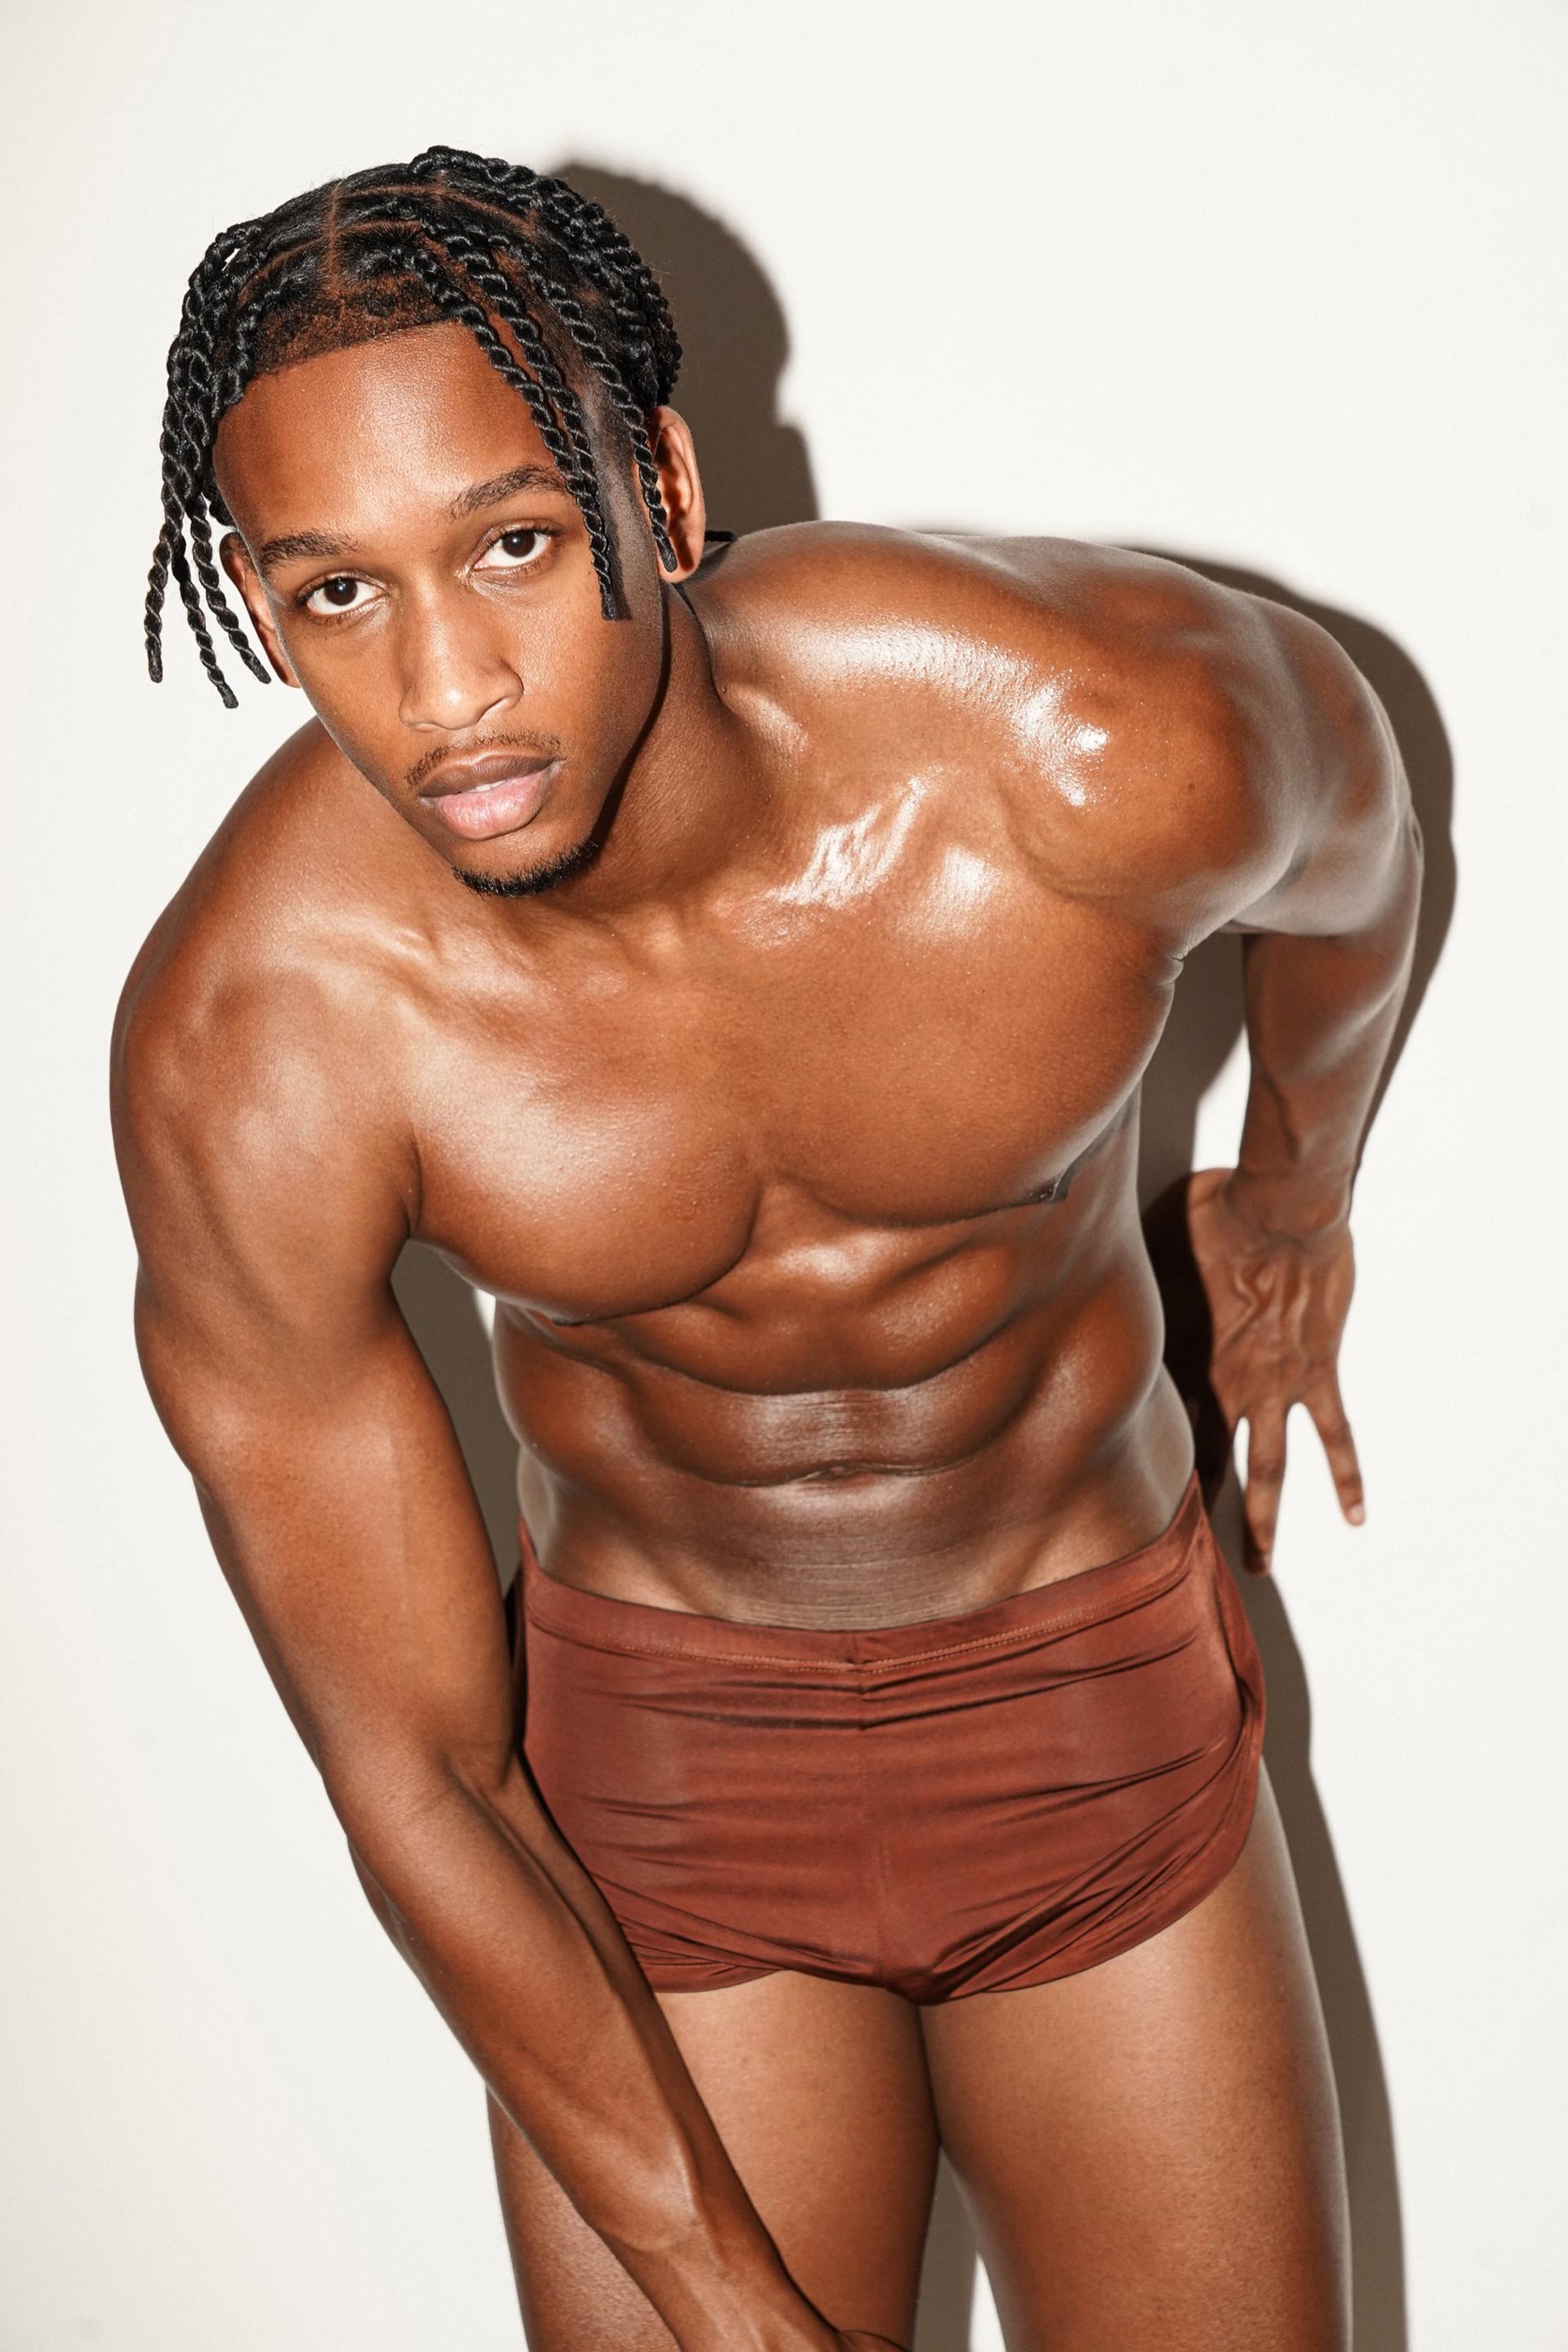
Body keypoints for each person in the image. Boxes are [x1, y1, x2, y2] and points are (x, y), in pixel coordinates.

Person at [110, 146, 1421, 2352]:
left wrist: (1291, 1201)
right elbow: (418, 1769)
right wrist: (729, 2311)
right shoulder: (268, 1036)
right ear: (258, 605)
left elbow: (1362, 867)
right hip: (652, 1809)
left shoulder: (1093, 746)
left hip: (1093, 1715)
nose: (448, 691)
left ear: (664, 492)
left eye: (513, 544)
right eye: (340, 595)